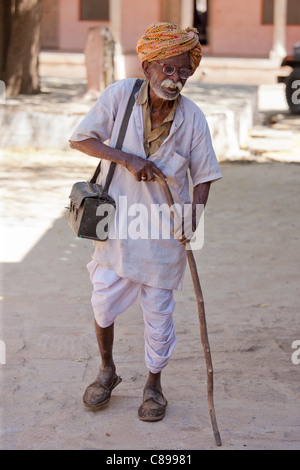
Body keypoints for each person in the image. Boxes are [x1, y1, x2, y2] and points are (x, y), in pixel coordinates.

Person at [69, 22, 222, 422]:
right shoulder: (120, 96)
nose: (176, 80)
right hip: (117, 226)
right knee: (103, 302)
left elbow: (204, 175)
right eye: (168, 69)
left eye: (184, 71)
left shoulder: (193, 118)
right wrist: (127, 158)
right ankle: (107, 370)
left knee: (159, 316)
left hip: (164, 233)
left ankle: (153, 385)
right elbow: (80, 139)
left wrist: (193, 219)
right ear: (147, 66)